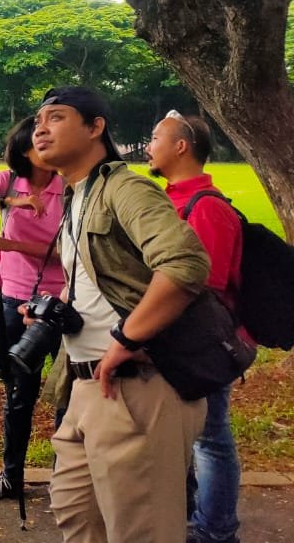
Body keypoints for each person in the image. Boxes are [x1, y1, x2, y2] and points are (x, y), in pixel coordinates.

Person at [33, 86, 210, 543]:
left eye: (56, 117)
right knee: (76, 515)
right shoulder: (77, 195)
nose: (40, 128)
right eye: (38, 120)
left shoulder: (125, 187)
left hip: (137, 386)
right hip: (85, 385)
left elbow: (186, 263)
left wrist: (127, 339)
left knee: (142, 532)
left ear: (95, 128)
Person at [147, 110, 244, 543]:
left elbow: (206, 281)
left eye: (155, 138)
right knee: (189, 437)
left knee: (210, 438)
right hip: (171, 338)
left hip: (199, 342)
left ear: (181, 146)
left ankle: (217, 531)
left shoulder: (205, 207)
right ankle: (193, 515)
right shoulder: (170, 199)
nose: (149, 146)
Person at [0, 116, 66, 499]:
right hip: (13, 299)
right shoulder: (8, 181)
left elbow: (71, 253)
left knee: (66, 394)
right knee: (18, 393)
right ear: (25, 151)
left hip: (63, 304)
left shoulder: (70, 188)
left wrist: (12, 246)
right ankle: (11, 477)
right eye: (40, 144)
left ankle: (65, 478)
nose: (48, 150)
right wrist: (8, 201)